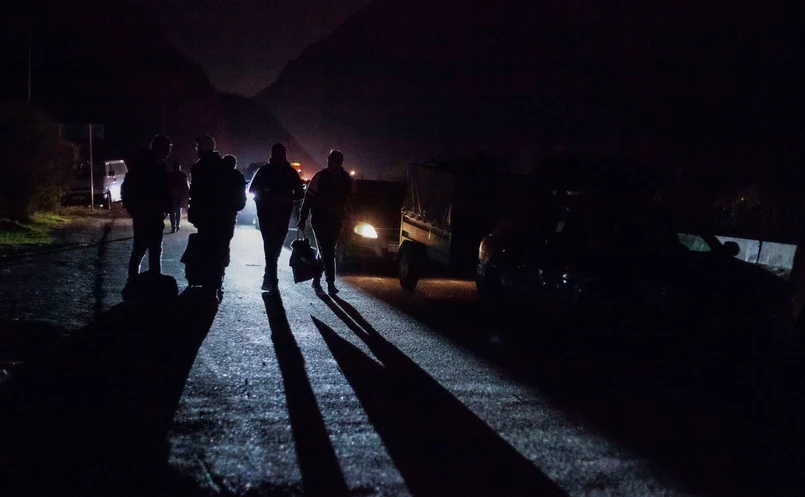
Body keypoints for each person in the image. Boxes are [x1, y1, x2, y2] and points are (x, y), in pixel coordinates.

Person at [187, 136, 246, 301]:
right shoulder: (229, 171)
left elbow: (195, 194)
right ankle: (215, 285)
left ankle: (209, 287)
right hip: (226, 219)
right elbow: (240, 201)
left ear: (201, 149)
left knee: (207, 252)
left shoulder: (199, 168)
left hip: (206, 219)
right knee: (220, 252)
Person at [249, 143, 305, 294]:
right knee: (274, 248)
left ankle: (270, 278)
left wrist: (266, 197)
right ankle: (271, 279)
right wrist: (286, 198)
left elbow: (252, 190)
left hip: (268, 214)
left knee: (270, 247)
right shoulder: (289, 172)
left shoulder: (265, 170)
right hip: (280, 215)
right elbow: (300, 194)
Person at [296, 149, 353, 295]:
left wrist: (303, 217)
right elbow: (309, 198)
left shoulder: (343, 178)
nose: (329, 163)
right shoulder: (323, 176)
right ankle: (330, 284)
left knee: (325, 250)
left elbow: (349, 200)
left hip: (334, 219)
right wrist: (302, 217)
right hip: (321, 219)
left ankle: (317, 280)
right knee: (327, 250)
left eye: (331, 161)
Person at [121, 135, 172, 281]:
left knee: (153, 251)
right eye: (167, 148)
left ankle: (152, 282)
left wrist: (165, 208)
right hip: (144, 215)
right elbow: (128, 189)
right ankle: (134, 282)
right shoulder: (143, 166)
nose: (169, 152)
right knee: (141, 250)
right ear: (159, 148)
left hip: (154, 215)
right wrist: (136, 210)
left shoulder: (158, 166)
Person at [169, 162, 189, 233]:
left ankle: (173, 226)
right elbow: (186, 186)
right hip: (179, 196)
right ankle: (177, 225)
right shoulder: (183, 175)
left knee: (172, 212)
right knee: (178, 211)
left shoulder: (170, 175)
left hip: (171, 195)